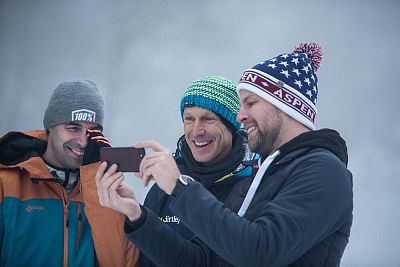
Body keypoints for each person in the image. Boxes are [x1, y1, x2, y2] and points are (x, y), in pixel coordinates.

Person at [130, 43, 353, 266]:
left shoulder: (324, 171)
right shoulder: (263, 175)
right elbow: (202, 261)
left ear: (284, 106)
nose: (240, 116)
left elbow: (260, 252)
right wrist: (137, 216)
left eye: (250, 103)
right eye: (189, 119)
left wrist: (179, 188)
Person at [96, 76, 258, 266]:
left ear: (231, 126)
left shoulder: (253, 186)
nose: (197, 131)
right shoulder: (163, 188)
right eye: (189, 119)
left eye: (208, 119)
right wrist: (137, 215)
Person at [0, 79, 139, 266]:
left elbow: (120, 263)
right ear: (50, 126)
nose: (82, 141)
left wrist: (94, 180)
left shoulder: (109, 190)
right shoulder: (6, 184)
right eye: (73, 128)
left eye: (92, 132)